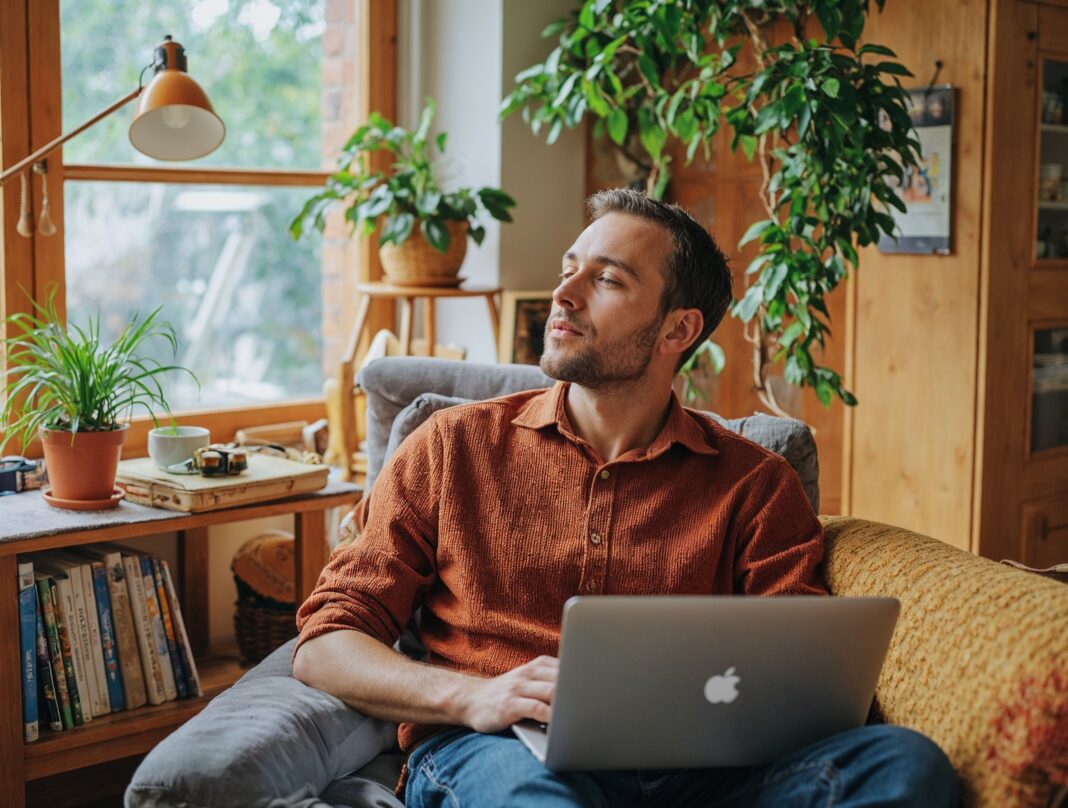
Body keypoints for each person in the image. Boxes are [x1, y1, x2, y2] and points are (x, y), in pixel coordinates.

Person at [293, 188, 958, 807]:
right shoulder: (451, 447)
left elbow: (801, 685)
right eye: (570, 268)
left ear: (678, 331)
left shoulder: (756, 484)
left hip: (705, 777)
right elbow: (326, 644)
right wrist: (471, 696)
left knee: (905, 765)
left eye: (607, 280)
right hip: (502, 752)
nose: (564, 293)